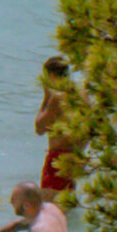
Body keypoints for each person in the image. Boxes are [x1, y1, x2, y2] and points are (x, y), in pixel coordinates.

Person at [35, 56, 83, 206]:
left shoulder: (56, 98)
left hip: (57, 160)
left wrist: (46, 98)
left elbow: (39, 128)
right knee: (65, 210)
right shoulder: (82, 95)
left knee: (49, 211)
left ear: (50, 76)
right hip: (75, 159)